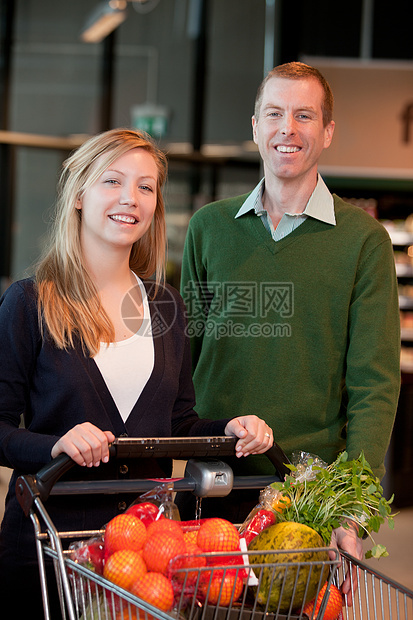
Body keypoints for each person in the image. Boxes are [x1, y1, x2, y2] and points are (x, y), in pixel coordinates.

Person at [0, 128, 273, 619]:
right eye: (113, 181)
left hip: (146, 562)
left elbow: (178, 425)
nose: (131, 199)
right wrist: (55, 444)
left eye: (146, 187)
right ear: (79, 195)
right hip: (49, 554)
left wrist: (229, 430)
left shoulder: (166, 306)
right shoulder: (29, 303)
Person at [178, 63, 401, 576]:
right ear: (254, 126)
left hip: (307, 491)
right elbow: (183, 355)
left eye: (305, 115)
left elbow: (374, 384)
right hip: (212, 476)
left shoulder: (363, 243)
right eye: (275, 113)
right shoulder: (209, 227)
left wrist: (355, 509)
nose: (288, 129)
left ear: (327, 133)